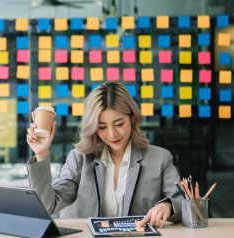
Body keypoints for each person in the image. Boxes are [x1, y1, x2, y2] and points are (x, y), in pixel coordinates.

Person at [26, 82, 183, 228]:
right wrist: (42, 153)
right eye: (102, 127)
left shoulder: (160, 158)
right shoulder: (79, 158)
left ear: (133, 118)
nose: (112, 134)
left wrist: (168, 205)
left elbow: (183, 204)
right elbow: (47, 205)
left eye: (119, 124)